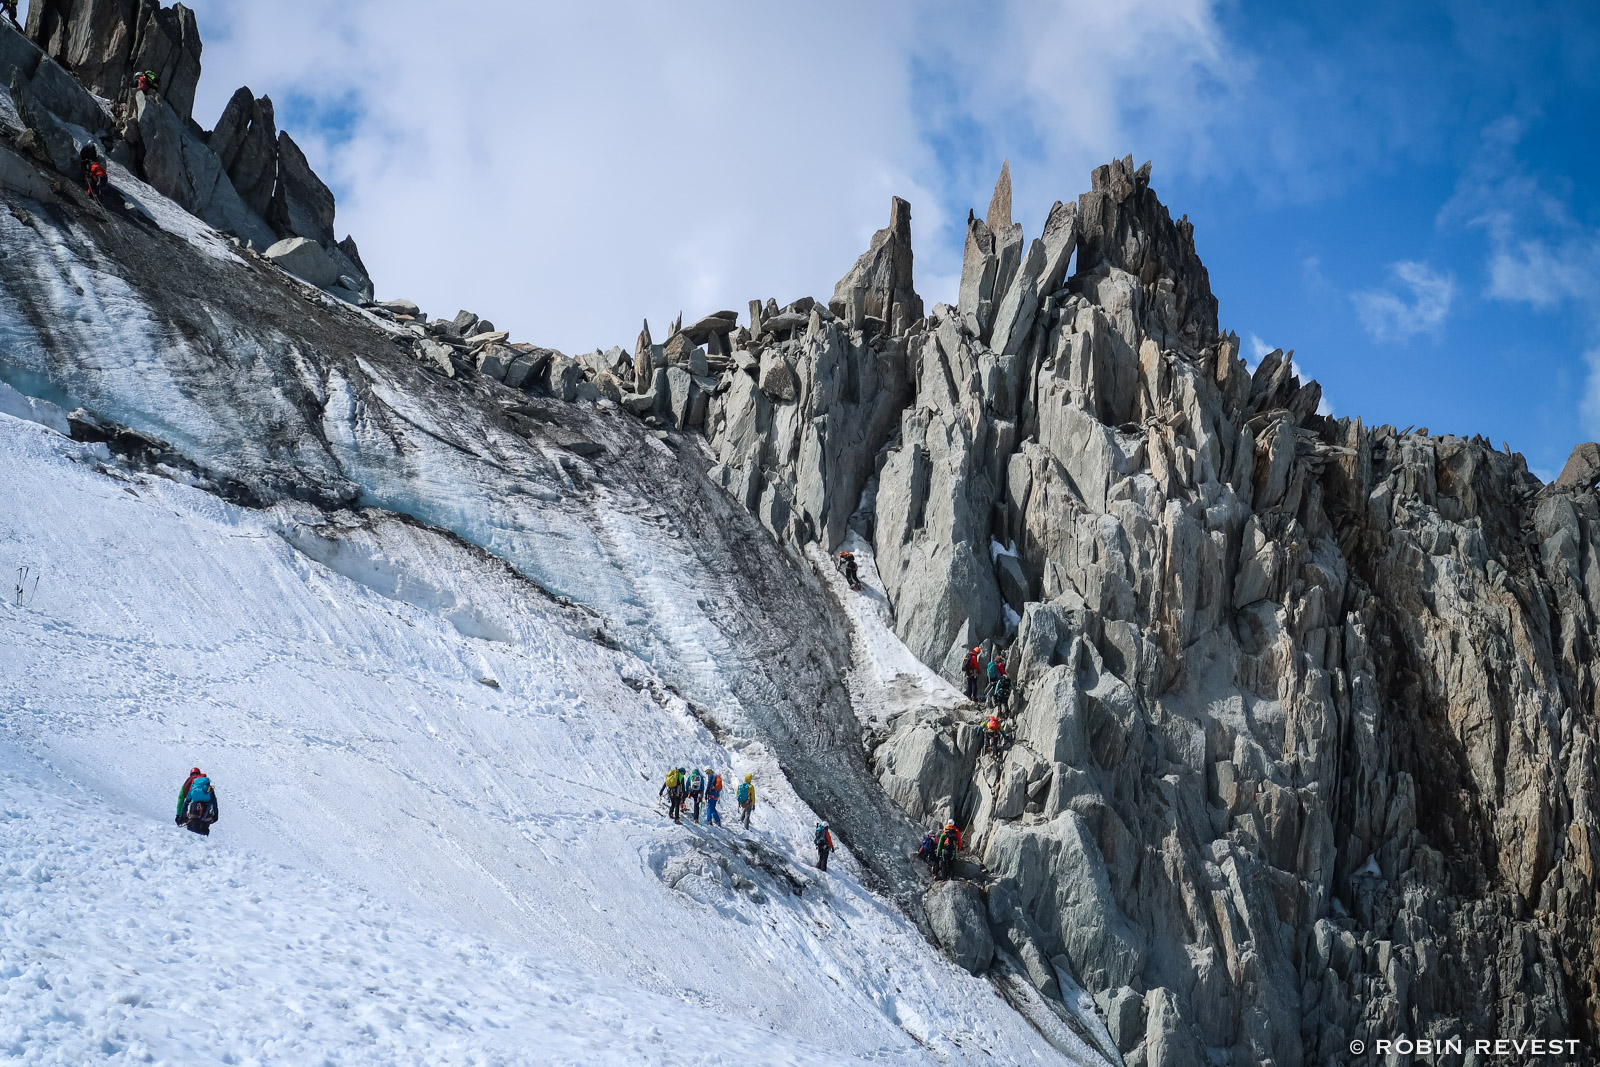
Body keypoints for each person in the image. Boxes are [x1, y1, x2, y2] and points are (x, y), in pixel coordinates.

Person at [175, 768, 219, 836]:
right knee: (204, 832)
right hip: (207, 811)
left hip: (194, 810)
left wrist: (180, 815)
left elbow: (182, 800)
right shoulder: (207, 785)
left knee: (193, 833)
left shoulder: (191, 784)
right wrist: (215, 814)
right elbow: (214, 800)